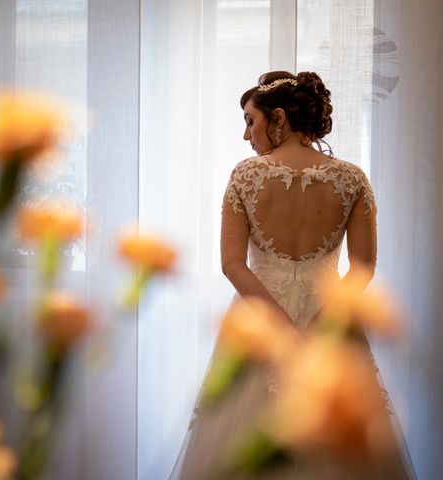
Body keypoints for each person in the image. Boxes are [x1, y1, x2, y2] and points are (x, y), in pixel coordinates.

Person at [170, 71, 413, 479]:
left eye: (250, 120)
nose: (246, 135)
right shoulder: (352, 178)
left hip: (258, 321)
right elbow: (363, 269)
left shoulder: (245, 176)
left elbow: (232, 264)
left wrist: (280, 329)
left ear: (278, 117)